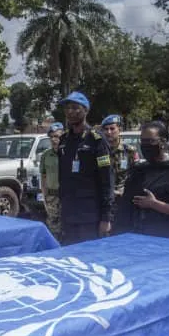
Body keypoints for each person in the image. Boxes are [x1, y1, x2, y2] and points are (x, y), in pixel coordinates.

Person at [114, 121, 169, 240]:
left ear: (163, 142)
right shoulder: (138, 171)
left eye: (151, 141)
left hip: (166, 239)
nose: (146, 145)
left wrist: (154, 204)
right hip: (136, 239)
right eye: (143, 141)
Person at [57, 91, 115, 245]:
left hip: (90, 217)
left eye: (75, 108)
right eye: (67, 108)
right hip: (69, 214)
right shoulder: (64, 140)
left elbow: (107, 181)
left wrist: (106, 217)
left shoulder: (96, 140)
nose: (70, 112)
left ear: (86, 110)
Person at [100, 114, 138, 202]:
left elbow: (136, 175)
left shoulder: (129, 151)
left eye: (112, 128)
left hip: (124, 198)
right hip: (104, 198)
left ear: (119, 129)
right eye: (106, 129)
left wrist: (126, 189)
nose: (109, 132)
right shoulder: (100, 152)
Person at [39, 122, 63, 240]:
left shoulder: (68, 154)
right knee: (53, 229)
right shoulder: (46, 155)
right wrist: (44, 197)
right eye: (51, 137)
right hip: (52, 197)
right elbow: (43, 177)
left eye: (57, 136)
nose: (54, 139)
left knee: (68, 227)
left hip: (67, 197)